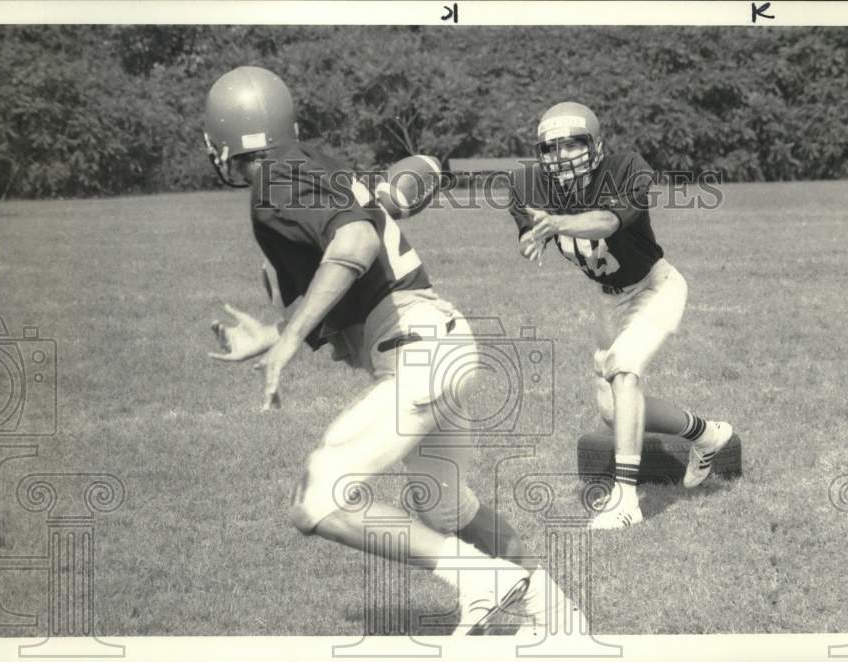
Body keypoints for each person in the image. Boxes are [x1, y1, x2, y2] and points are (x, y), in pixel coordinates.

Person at [203, 66, 574, 635]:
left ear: (224, 142)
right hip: (442, 342)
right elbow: (373, 219)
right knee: (448, 509)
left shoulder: (273, 183)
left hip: (415, 354)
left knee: (317, 499)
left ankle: (483, 581)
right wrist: (276, 334)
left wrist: (292, 338)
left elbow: (356, 239)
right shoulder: (313, 165)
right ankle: (558, 616)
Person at [508, 102, 739, 530]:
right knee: (613, 411)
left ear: (595, 145)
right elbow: (528, 236)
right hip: (609, 298)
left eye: (572, 144)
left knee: (625, 371)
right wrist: (532, 238)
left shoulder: (625, 167)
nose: (561, 156)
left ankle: (626, 500)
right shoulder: (528, 183)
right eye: (551, 148)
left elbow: (607, 223)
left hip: (655, 287)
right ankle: (706, 434)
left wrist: (557, 223)